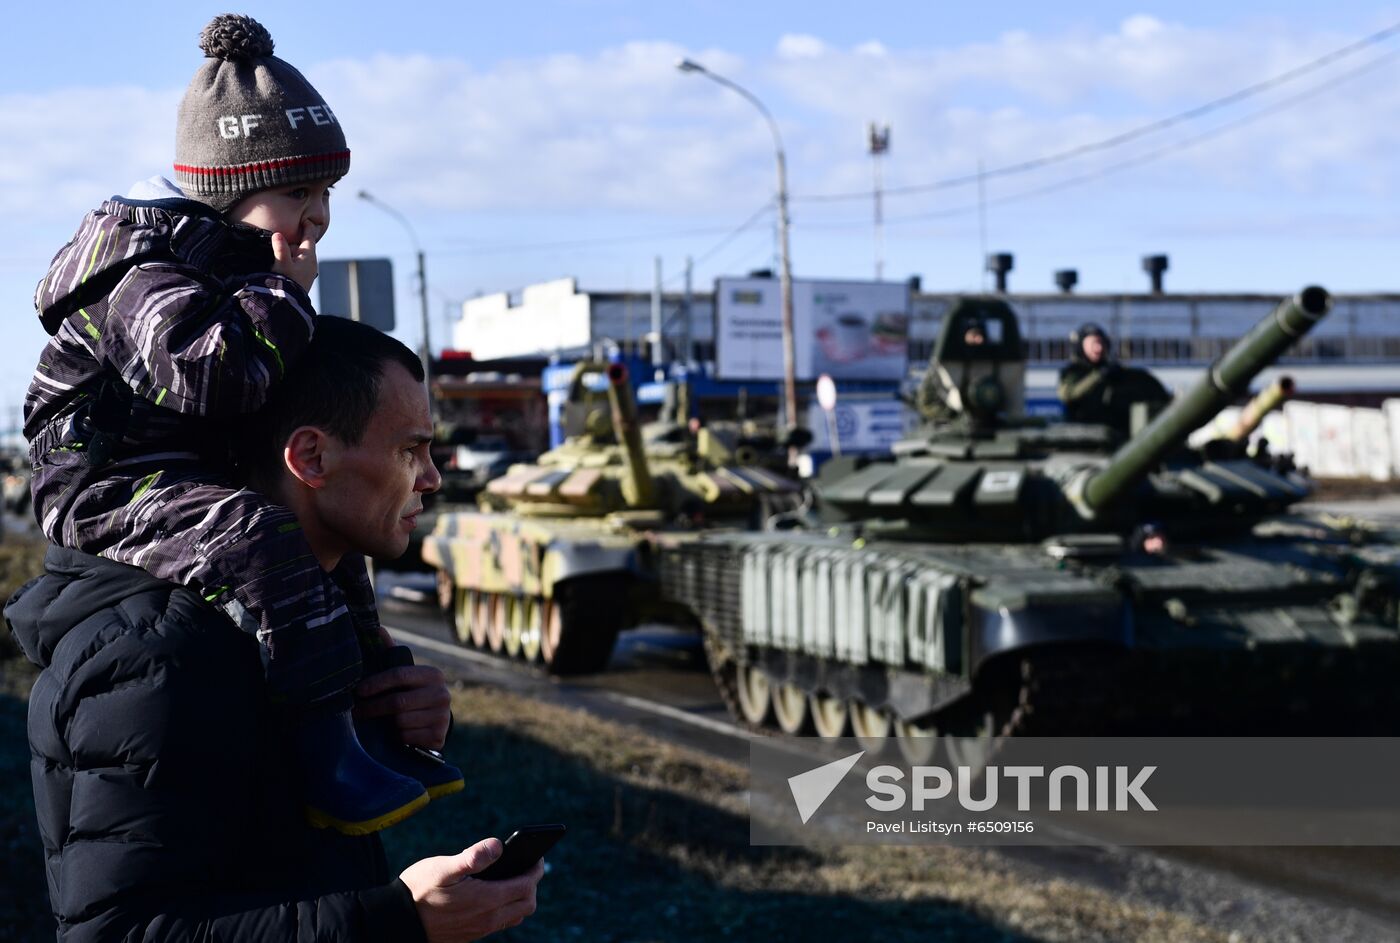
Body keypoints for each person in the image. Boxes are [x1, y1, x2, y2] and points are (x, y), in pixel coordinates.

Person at [23, 13, 455, 833]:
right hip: (100, 476)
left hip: (173, 460)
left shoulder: (234, 266)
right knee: (256, 536)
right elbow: (206, 373)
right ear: (229, 188)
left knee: (329, 544)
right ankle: (322, 745)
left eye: (325, 193)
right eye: (298, 192)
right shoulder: (140, 269)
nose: (318, 215)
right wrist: (285, 296)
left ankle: (370, 710)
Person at [6, 318, 545, 942]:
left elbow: (270, 845)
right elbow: (117, 933)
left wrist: (386, 730)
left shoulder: (300, 625)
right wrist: (400, 920)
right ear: (310, 457)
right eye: (409, 451)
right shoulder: (162, 656)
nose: (432, 479)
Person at [1057, 322, 1120, 423]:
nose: (1098, 348)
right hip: (1080, 428)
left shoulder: (1110, 369)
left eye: (1101, 343)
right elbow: (1067, 395)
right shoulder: (1072, 371)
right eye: (1093, 343)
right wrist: (1098, 376)